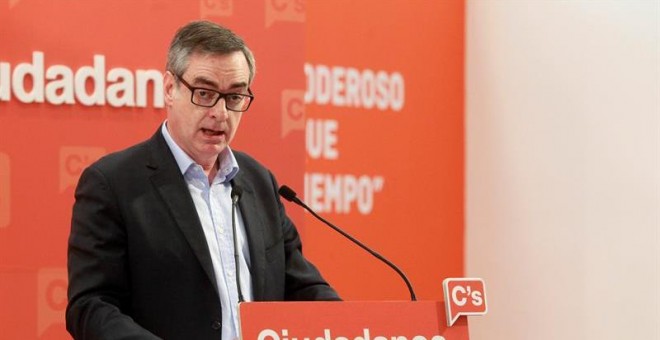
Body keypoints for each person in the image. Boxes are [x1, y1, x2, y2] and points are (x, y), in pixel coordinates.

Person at [66, 20, 340, 340]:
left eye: (235, 97)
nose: (221, 113)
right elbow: (91, 305)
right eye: (205, 93)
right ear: (170, 89)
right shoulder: (112, 183)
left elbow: (302, 286)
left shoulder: (259, 181)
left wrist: (354, 329)